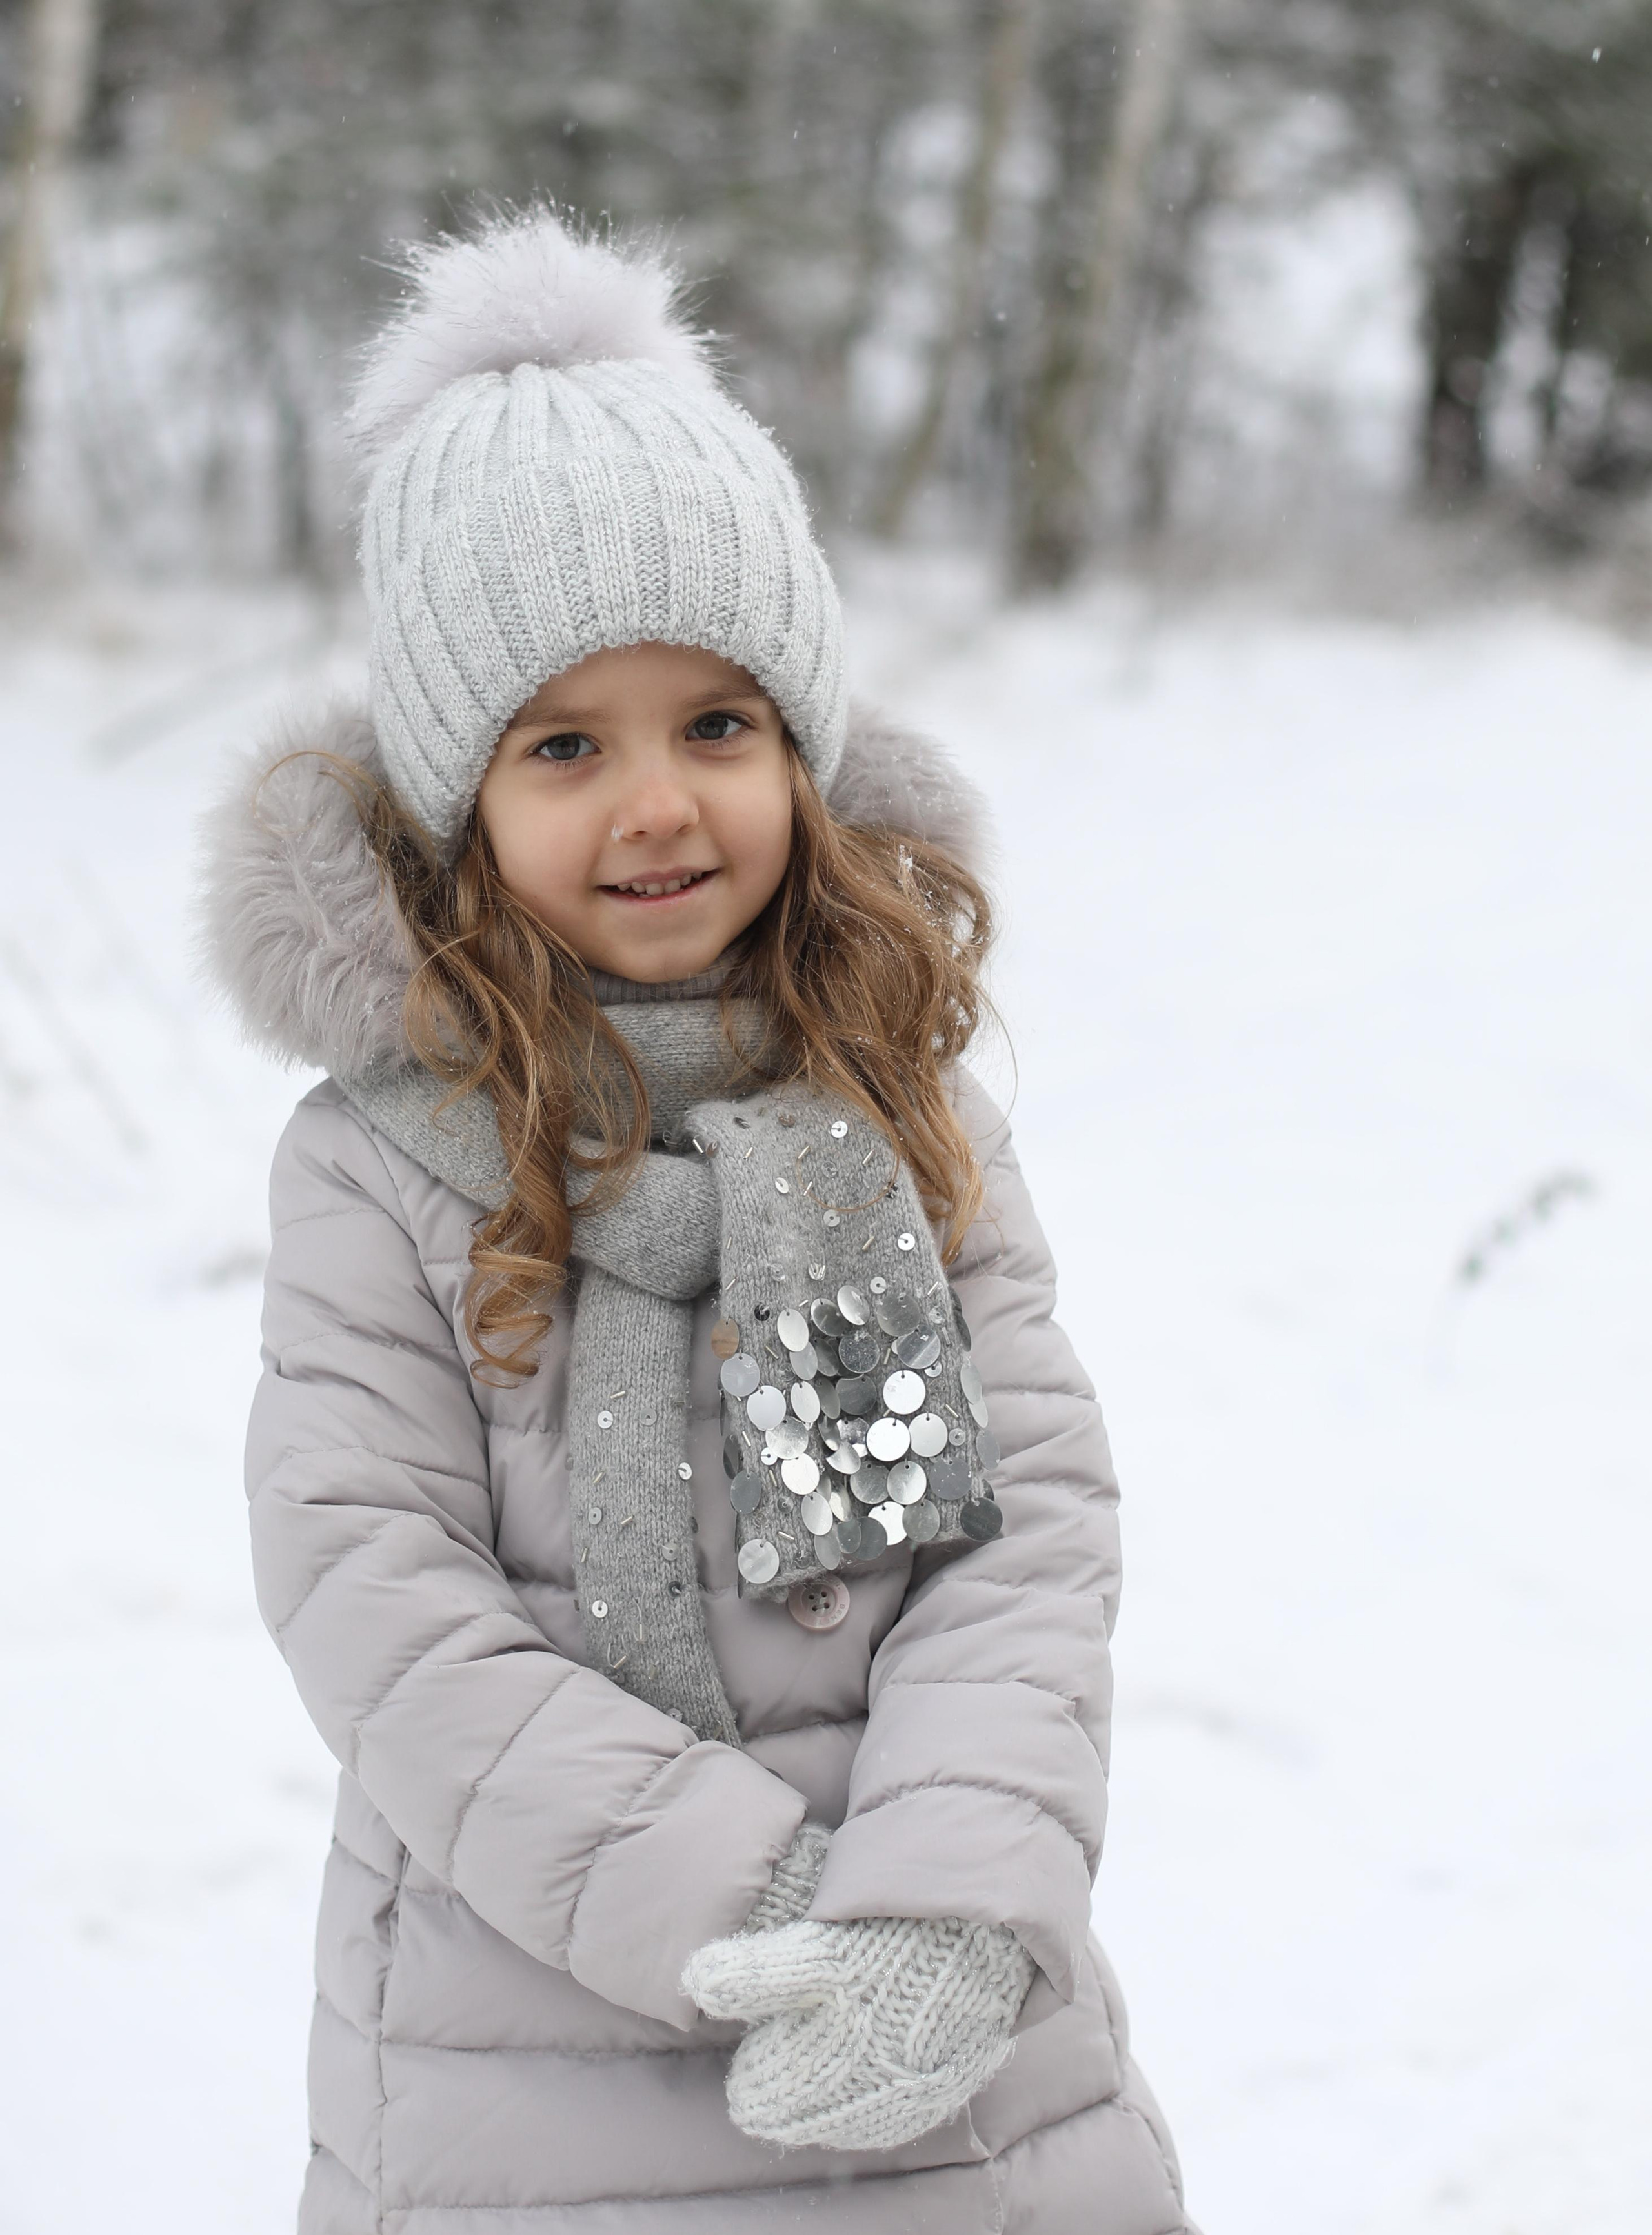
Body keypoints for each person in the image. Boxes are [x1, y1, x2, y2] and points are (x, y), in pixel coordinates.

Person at [202, 207, 1193, 2234]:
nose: (656, 804)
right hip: (531, 2037)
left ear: (805, 755)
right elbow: (375, 1594)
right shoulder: (386, 1163)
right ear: (454, 803)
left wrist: (936, 1914)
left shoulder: (894, 1110)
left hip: (949, 2025)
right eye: (565, 745)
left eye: (715, 727)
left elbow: (1026, 1541)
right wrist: (751, 1898)